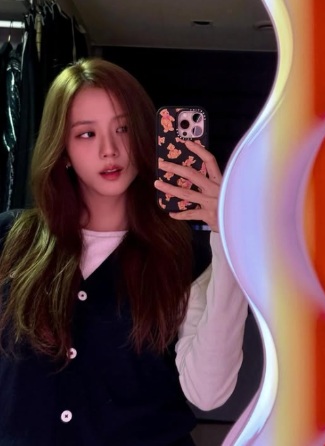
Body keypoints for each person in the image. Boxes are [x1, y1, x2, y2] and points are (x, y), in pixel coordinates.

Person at [0, 58, 248, 445]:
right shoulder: (10, 239)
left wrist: (230, 237)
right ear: (62, 148)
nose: (110, 150)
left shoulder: (185, 255)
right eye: (86, 134)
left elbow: (209, 392)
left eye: (124, 128)